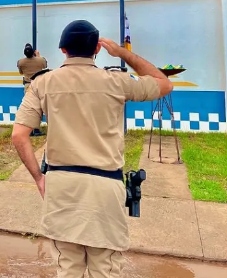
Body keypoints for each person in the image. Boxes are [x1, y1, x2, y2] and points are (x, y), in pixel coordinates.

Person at [11, 20, 172, 278]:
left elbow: (19, 135)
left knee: (68, 270)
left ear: (62, 49)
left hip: (62, 187)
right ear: (97, 49)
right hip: (104, 189)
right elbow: (163, 83)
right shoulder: (117, 81)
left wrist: (40, 178)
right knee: (105, 270)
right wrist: (122, 53)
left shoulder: (42, 83)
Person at [17, 43, 47, 136]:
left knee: (29, 108)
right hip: (39, 85)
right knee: (40, 107)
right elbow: (45, 65)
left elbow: (21, 72)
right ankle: (37, 130)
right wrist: (38, 56)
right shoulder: (40, 60)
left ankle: (29, 130)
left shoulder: (21, 62)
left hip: (27, 85)